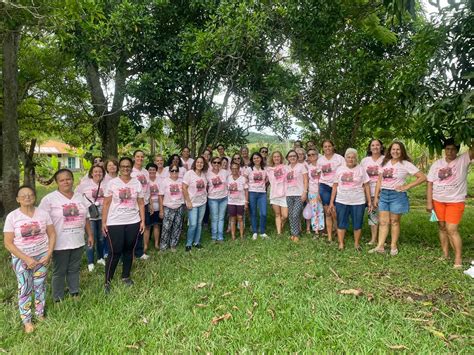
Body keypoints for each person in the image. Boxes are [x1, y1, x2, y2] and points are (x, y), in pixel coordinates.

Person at [4, 186, 56, 333]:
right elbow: (8, 242)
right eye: (23, 195)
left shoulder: (43, 214)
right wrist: (26, 258)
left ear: (35, 196)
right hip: (21, 259)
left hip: (41, 257)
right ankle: (26, 320)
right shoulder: (12, 217)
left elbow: (52, 234)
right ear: (17, 199)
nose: (27, 197)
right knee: (25, 288)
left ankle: (39, 314)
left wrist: (48, 253)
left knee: (40, 286)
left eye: (30, 194)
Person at [39, 169, 93, 302]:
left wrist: (90, 235)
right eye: (62, 180)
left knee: (74, 268)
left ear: (72, 180)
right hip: (59, 242)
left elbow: (86, 218)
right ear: (57, 182)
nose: (66, 182)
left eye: (68, 179)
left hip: (78, 240)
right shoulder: (49, 199)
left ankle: (74, 292)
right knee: (59, 271)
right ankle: (58, 297)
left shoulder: (80, 197)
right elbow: (41, 221)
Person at [371, 141, 426, 255]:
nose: (395, 151)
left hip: (397, 195)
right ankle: (380, 246)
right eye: (393, 149)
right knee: (383, 222)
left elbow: (422, 177)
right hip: (384, 194)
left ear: (402, 151)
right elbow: (379, 181)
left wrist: (406, 186)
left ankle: (393, 246)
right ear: (390, 151)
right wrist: (376, 197)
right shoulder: (385, 162)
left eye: (398, 149)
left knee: (395, 221)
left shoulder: (405, 164)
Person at [426, 139, 474, 268]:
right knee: (441, 227)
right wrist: (429, 202)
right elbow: (430, 183)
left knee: (451, 229)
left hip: (455, 201)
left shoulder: (463, 160)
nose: (450, 151)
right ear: (444, 150)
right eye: (447, 149)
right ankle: (445, 254)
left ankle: (458, 258)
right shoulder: (437, 164)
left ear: (457, 150)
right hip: (437, 200)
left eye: (453, 149)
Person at [102, 157, 145, 292]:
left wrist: (142, 220)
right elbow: (107, 203)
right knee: (115, 251)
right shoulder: (112, 183)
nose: (125, 168)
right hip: (115, 222)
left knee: (129, 250)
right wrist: (104, 222)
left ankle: (125, 276)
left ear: (131, 167)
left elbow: (141, 202)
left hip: (133, 221)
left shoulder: (136, 183)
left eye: (128, 166)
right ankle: (107, 281)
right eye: (123, 166)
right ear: (119, 167)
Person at [329, 149, 371, 250]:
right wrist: (331, 202)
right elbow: (335, 186)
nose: (351, 159)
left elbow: (367, 185)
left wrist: (369, 201)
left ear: (356, 158)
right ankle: (341, 244)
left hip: (358, 201)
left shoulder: (361, 169)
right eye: (348, 157)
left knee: (357, 223)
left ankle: (356, 244)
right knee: (341, 223)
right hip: (341, 200)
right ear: (345, 158)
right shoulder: (339, 169)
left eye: (353, 157)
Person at [76, 165, 107, 272]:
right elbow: (77, 197)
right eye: (95, 172)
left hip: (103, 215)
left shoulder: (106, 184)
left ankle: (100, 257)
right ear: (91, 173)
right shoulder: (84, 184)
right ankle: (90, 261)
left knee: (101, 238)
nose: (98, 173)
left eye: (100, 172)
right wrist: (84, 207)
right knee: (91, 238)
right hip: (90, 217)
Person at [317, 140, 345, 242]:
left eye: (329, 146)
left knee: (335, 212)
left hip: (337, 186)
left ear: (333, 147)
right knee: (327, 212)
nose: (327, 148)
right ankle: (329, 236)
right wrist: (318, 192)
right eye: (325, 146)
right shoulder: (320, 160)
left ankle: (338, 230)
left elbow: (345, 172)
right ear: (322, 148)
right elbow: (319, 177)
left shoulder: (340, 159)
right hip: (324, 186)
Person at [360, 139, 385, 245]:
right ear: (370, 148)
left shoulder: (386, 160)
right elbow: (360, 177)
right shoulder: (365, 161)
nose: (375, 147)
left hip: (382, 191)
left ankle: (382, 239)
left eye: (377, 145)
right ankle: (373, 239)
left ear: (381, 147)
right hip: (368, 191)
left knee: (383, 216)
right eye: (373, 145)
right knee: (372, 214)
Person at [183, 157, 208, 251]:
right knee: (193, 224)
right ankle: (188, 243)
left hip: (202, 202)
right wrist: (188, 201)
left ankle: (196, 242)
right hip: (192, 203)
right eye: (198, 162)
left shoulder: (204, 174)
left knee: (199, 223)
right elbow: (184, 188)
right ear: (195, 163)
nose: (199, 164)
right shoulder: (189, 173)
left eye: (201, 162)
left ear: (203, 164)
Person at [159, 166, 185, 251]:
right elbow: (160, 196)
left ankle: (173, 245)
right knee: (166, 228)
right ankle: (163, 247)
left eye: (176, 170)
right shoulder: (165, 181)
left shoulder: (182, 181)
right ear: (169, 171)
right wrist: (161, 210)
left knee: (177, 227)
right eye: (172, 170)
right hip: (168, 207)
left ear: (178, 171)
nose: (174, 172)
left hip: (179, 207)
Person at [285, 150, 308, 242]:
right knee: (291, 215)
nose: (292, 157)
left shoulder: (302, 167)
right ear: (287, 158)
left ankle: (296, 234)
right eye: (290, 156)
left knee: (295, 214)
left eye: (294, 156)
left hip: (299, 194)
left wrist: (305, 192)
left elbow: (306, 180)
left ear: (297, 157)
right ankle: (293, 233)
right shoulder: (286, 168)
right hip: (288, 194)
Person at [131, 150, 149, 260]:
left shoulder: (146, 172)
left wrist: (150, 203)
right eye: (137, 156)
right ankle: (130, 252)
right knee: (133, 229)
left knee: (142, 227)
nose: (140, 159)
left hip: (145, 203)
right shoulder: (131, 172)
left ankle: (139, 252)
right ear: (134, 158)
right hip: (134, 205)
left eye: (142, 157)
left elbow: (148, 188)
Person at [207, 156, 229, 243]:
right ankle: (213, 236)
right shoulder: (207, 174)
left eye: (218, 162)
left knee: (221, 218)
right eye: (214, 162)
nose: (216, 164)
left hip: (224, 198)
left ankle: (220, 237)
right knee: (214, 218)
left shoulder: (225, 172)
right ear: (211, 163)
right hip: (213, 199)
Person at [247, 152, 268, 240]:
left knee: (263, 213)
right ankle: (255, 232)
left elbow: (268, 179)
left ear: (261, 158)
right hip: (252, 192)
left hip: (262, 193)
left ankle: (262, 232)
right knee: (253, 213)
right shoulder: (249, 169)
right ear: (252, 160)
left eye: (258, 158)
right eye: (254, 158)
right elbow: (244, 179)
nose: (256, 159)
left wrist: (264, 184)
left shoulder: (265, 169)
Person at [267, 151, 288, 235]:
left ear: (281, 158)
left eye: (278, 156)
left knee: (285, 215)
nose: (276, 158)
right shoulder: (269, 170)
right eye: (274, 157)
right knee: (277, 214)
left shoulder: (285, 168)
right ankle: (279, 233)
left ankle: (281, 225)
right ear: (272, 158)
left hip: (284, 194)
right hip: (274, 194)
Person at [228, 162, 249, 240]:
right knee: (232, 219)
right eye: (232, 168)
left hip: (240, 202)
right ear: (230, 169)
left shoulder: (243, 178)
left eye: (236, 168)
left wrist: (246, 202)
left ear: (238, 169)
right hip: (231, 202)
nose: (234, 170)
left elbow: (246, 191)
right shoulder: (228, 178)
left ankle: (241, 236)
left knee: (240, 218)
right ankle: (233, 236)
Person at [306, 148, 324, 237]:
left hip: (320, 191)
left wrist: (320, 193)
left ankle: (322, 228)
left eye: (313, 154)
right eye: (309, 155)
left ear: (317, 155)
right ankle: (316, 230)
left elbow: (321, 180)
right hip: (311, 192)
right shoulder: (308, 167)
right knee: (314, 211)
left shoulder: (320, 166)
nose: (311, 156)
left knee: (321, 210)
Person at [145, 163, 161, 251]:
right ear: (147, 171)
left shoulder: (160, 180)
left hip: (158, 205)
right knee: (147, 226)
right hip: (148, 205)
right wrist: (150, 204)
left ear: (156, 170)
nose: (152, 171)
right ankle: (145, 245)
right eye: (150, 170)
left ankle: (156, 244)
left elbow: (161, 194)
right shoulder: (145, 180)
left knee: (156, 225)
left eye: (153, 169)